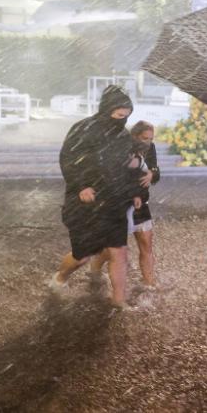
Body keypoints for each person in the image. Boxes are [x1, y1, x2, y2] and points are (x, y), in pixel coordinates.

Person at [51, 85, 144, 308]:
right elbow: (67, 159)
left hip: (114, 202)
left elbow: (128, 167)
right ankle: (60, 278)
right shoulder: (83, 129)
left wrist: (135, 191)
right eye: (119, 115)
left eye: (126, 116)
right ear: (106, 111)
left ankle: (119, 302)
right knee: (82, 256)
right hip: (85, 203)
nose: (122, 120)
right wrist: (81, 185)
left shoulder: (123, 136)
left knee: (119, 252)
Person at [91, 121, 160, 288]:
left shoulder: (150, 148)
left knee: (146, 243)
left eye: (151, 139)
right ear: (134, 136)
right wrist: (132, 193)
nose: (148, 142)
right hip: (120, 203)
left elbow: (156, 172)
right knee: (114, 248)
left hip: (141, 202)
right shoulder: (120, 149)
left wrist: (152, 174)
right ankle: (95, 266)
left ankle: (149, 284)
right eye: (144, 138)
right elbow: (114, 178)